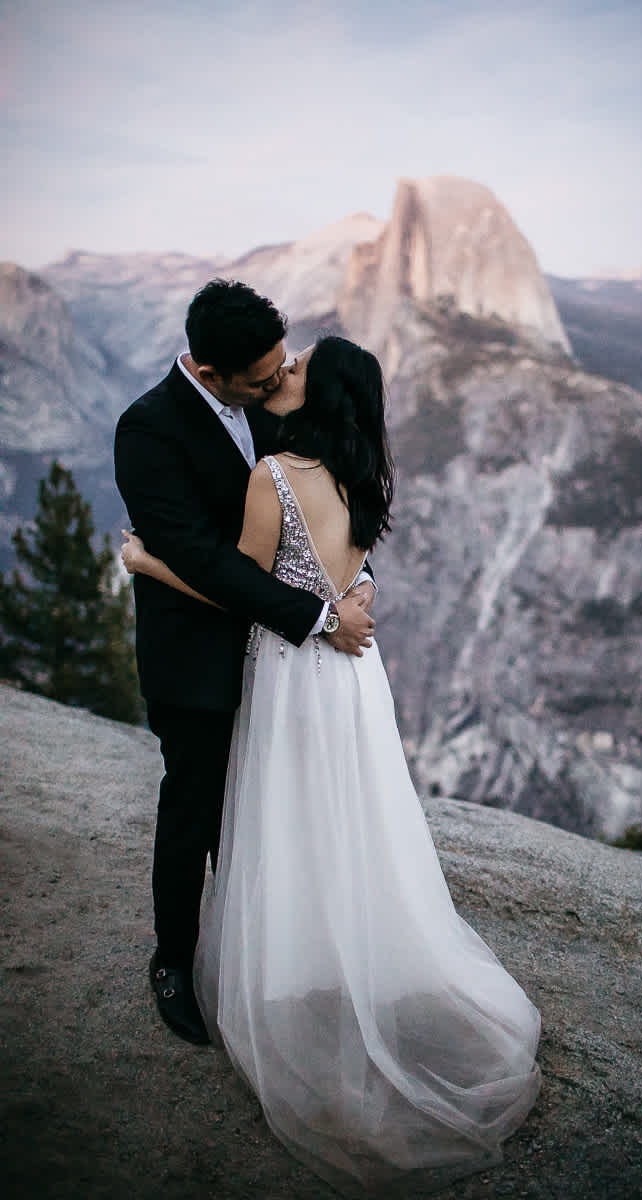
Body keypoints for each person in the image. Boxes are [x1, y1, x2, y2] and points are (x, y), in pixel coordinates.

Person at [121, 335, 542, 1196]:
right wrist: (350, 600)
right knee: (344, 817)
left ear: (317, 397)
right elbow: (342, 565)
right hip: (352, 678)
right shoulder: (359, 474)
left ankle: (291, 972)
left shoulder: (273, 477)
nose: (284, 373)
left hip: (289, 672)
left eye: (300, 368)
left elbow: (237, 589)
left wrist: (144, 560)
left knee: (282, 818)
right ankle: (345, 952)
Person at [114, 282, 376, 1046]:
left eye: (279, 371)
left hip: (281, 661)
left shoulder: (274, 403)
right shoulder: (148, 430)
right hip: (195, 655)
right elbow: (199, 558)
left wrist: (353, 584)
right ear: (204, 370)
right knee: (193, 804)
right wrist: (318, 618)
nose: (275, 387)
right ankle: (173, 961)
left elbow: (330, 503)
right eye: (259, 381)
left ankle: (263, 954)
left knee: (267, 813)